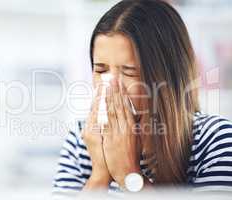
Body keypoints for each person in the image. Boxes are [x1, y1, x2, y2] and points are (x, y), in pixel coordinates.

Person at [52, 0, 232, 197]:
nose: (111, 86)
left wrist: (128, 172)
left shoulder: (216, 141)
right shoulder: (81, 143)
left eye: (129, 72)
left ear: (166, 76)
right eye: (101, 70)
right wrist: (100, 175)